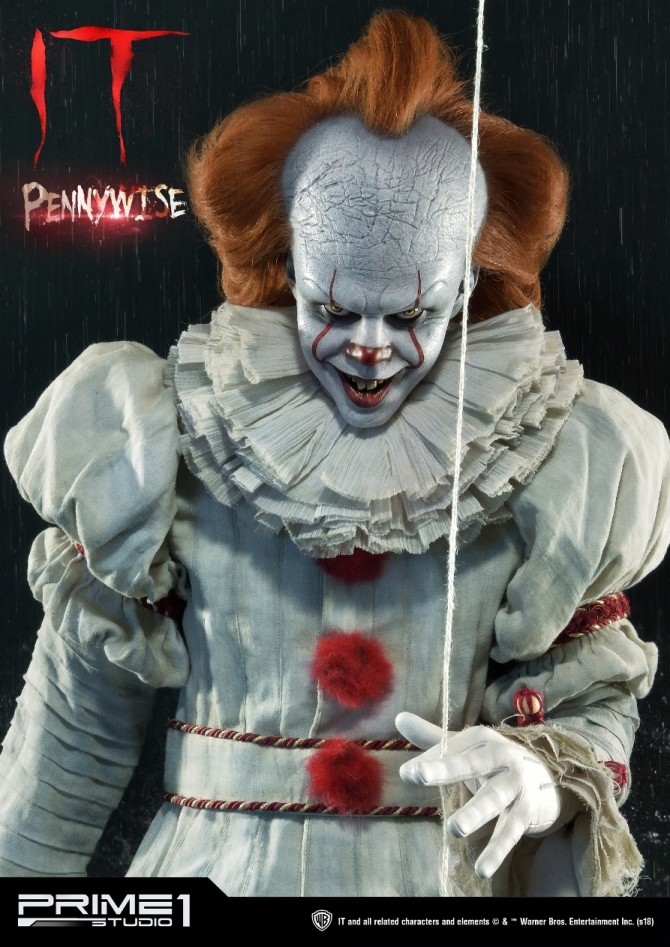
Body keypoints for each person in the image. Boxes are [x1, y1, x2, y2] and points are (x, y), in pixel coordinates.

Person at [0, 11, 668, 897]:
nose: (369, 347)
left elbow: (590, 697)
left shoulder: (547, 451)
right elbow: (73, 725)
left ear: (466, 284)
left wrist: (544, 773)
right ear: (290, 265)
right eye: (335, 306)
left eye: (412, 313)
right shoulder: (169, 434)